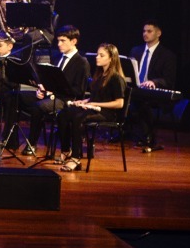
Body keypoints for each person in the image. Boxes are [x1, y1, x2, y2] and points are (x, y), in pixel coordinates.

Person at [20, 24, 90, 159]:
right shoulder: (59, 57)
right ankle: (11, 140)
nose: (59, 44)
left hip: (66, 100)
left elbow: (79, 91)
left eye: (63, 41)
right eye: (58, 41)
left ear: (74, 41)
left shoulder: (81, 62)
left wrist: (53, 92)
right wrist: (43, 89)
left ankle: (32, 143)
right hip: (53, 95)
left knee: (38, 107)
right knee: (17, 97)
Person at [62, 43, 128, 171]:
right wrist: (83, 102)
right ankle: (66, 151)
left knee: (78, 118)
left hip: (108, 113)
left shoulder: (116, 78)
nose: (97, 57)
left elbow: (120, 103)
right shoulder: (99, 76)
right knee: (65, 113)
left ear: (111, 58)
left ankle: (76, 159)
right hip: (96, 108)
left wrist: (94, 104)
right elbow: (95, 98)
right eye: (97, 54)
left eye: (101, 55)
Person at [130, 20, 179, 152]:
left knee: (142, 101)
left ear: (158, 33)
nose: (145, 34)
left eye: (149, 31)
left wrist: (154, 82)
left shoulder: (167, 55)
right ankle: (123, 132)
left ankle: (146, 137)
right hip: (136, 88)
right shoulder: (136, 51)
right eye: (144, 31)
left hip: (153, 93)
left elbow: (169, 80)